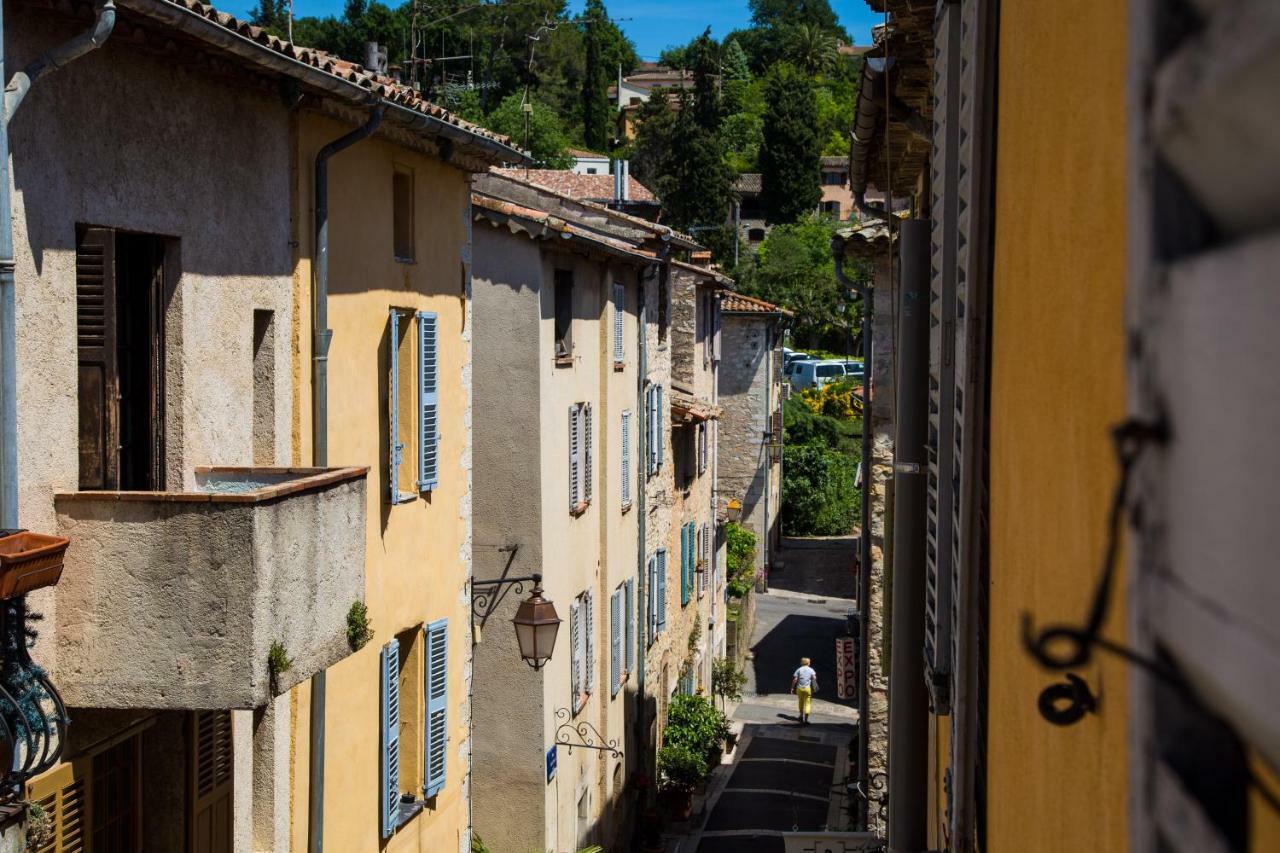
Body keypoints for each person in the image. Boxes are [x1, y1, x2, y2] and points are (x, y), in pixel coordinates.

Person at [791, 657, 819, 725]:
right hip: (807, 689)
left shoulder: (799, 669)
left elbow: (795, 680)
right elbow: (814, 678)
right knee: (807, 703)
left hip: (799, 689)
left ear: (802, 663)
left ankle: (801, 716)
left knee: (801, 702)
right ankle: (806, 719)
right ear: (808, 663)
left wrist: (792, 688)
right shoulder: (811, 670)